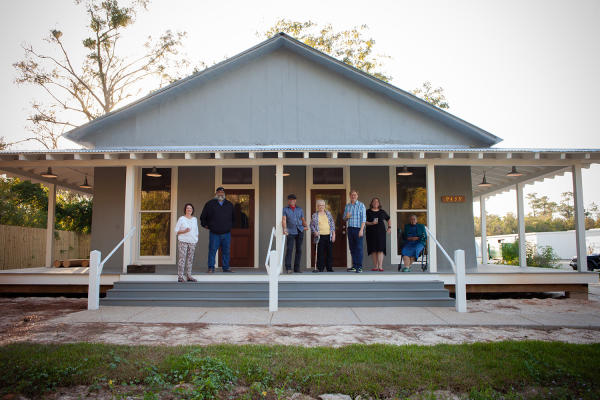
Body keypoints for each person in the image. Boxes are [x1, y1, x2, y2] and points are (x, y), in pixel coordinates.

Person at [200, 186, 235, 273]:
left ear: (224, 194)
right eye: (219, 192)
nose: (220, 194)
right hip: (214, 233)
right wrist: (205, 225)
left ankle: (226, 267)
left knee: (226, 251)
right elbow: (203, 217)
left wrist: (230, 226)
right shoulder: (209, 204)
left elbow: (234, 218)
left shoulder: (229, 204)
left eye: (222, 192)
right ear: (216, 193)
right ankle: (211, 267)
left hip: (226, 233)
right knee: (212, 251)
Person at [282, 194, 308, 274]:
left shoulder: (299, 209)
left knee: (299, 249)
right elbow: (284, 220)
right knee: (289, 249)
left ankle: (297, 268)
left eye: (293, 200)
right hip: (290, 231)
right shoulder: (285, 209)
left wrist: (306, 226)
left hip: (300, 230)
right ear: (288, 201)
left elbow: (302, 219)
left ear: (295, 201)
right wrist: (285, 229)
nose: (292, 201)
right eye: (290, 200)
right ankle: (288, 268)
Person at [343, 189, 366, 273]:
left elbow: (363, 219)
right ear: (350, 196)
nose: (353, 196)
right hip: (350, 229)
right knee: (352, 248)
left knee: (359, 248)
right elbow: (344, 218)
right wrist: (347, 217)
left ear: (357, 195)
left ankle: (359, 267)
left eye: (355, 195)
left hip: (358, 229)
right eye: (352, 195)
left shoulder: (361, 205)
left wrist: (361, 230)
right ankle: (354, 266)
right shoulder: (347, 206)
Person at [174, 203, 199, 282]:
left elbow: (196, 230)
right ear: (185, 209)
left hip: (192, 242)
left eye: (190, 208)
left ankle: (189, 276)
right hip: (183, 241)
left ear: (192, 210)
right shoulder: (181, 219)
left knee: (190, 259)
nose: (189, 210)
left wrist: (196, 239)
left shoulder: (194, 219)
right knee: (182, 259)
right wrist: (184, 231)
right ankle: (180, 277)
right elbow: (176, 231)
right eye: (187, 208)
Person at [365, 197, 391, 271]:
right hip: (371, 233)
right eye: (374, 202)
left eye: (377, 202)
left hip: (381, 233)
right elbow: (364, 221)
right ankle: (375, 266)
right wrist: (371, 223)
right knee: (373, 249)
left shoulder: (382, 212)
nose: (375, 203)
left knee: (380, 249)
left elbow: (388, 219)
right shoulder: (368, 211)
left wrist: (389, 227)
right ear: (371, 203)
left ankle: (380, 266)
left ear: (379, 203)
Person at [310, 199, 336, 272]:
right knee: (320, 253)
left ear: (325, 206)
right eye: (320, 205)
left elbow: (332, 225)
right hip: (319, 236)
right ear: (317, 206)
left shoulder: (328, 214)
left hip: (329, 235)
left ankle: (329, 268)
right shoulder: (315, 215)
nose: (321, 206)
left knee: (329, 252)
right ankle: (320, 268)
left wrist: (334, 234)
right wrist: (315, 232)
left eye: (323, 205)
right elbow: (311, 225)